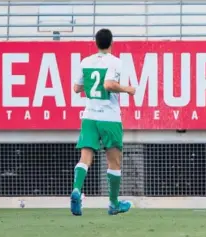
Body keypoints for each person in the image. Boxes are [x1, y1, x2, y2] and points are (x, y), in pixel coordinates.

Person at [70, 28, 136, 216]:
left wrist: (92, 85)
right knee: (114, 161)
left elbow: (76, 88)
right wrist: (127, 89)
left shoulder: (85, 61)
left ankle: (77, 189)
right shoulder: (115, 62)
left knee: (85, 157)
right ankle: (113, 204)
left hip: (89, 116)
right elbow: (108, 85)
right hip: (109, 117)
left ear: (96, 43)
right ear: (111, 42)